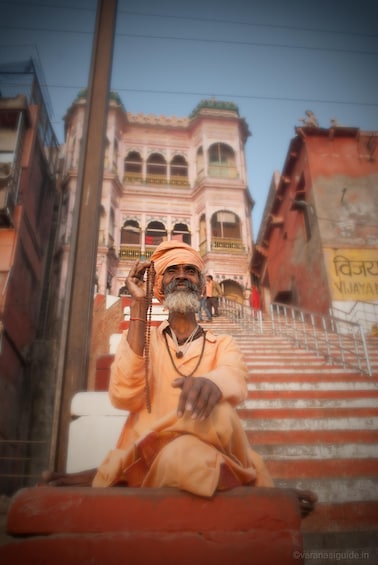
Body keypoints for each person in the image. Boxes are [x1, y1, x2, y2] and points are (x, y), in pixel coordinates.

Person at [42, 241, 316, 516]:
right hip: (165, 460)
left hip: (199, 454)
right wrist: (139, 304)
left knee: (218, 413)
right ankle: (258, 496)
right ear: (160, 284)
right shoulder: (141, 340)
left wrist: (212, 384)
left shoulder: (222, 344)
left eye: (190, 271)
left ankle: (122, 471)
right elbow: (125, 394)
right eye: (173, 271)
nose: (182, 276)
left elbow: (235, 377)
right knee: (195, 440)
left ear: (200, 285)